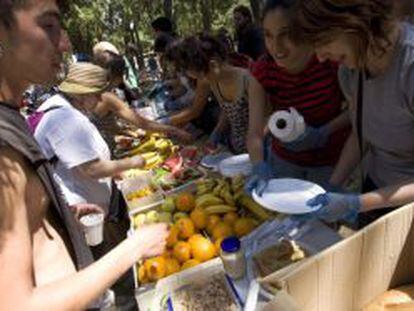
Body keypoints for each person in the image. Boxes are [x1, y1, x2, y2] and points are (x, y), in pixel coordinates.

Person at [0, 1, 168, 310]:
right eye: (48, 26)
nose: (64, 43)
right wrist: (133, 249)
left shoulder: (11, 119)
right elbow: (17, 304)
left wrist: (60, 216)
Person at [292, 0, 414, 227]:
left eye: (322, 41)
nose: (319, 57)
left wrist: (356, 203)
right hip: (376, 190)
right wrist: (333, 186)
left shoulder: (409, 65)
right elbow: (361, 135)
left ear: (353, 19)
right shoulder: (349, 72)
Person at [245, 0, 350, 195]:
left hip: (330, 162)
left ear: (305, 30)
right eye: (268, 35)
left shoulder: (329, 60)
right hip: (284, 160)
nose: (276, 46)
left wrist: (323, 132)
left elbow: (356, 111)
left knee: (323, 222)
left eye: (285, 34)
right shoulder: (262, 71)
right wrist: (258, 165)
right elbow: (255, 133)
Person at [91, 43, 192, 151]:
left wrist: (124, 132)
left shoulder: (86, 91)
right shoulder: (108, 97)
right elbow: (144, 123)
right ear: (119, 75)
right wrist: (175, 131)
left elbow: (102, 124)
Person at [166, 34, 251, 154]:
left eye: (201, 75)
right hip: (238, 147)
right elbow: (227, 111)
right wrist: (216, 134)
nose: (202, 81)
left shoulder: (248, 81)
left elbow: (261, 125)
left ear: (213, 65)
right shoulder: (214, 81)